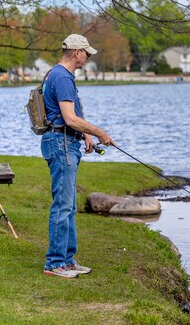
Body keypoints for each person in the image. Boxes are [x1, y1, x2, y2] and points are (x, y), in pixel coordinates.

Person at [41, 34, 115, 278]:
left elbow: (68, 118)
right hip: (61, 143)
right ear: (76, 53)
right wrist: (99, 131)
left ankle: (68, 260)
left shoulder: (60, 75)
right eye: (86, 52)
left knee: (69, 205)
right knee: (62, 206)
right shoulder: (62, 77)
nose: (88, 56)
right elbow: (70, 118)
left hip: (66, 140)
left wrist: (85, 136)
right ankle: (54, 264)